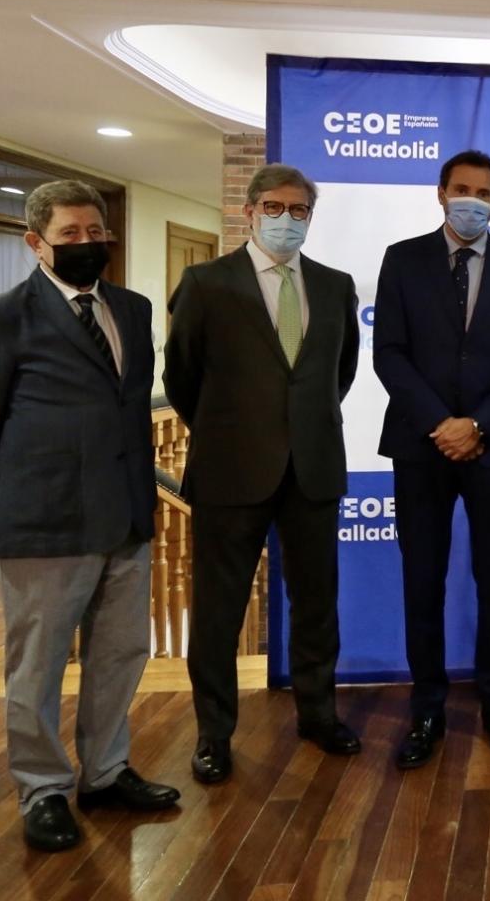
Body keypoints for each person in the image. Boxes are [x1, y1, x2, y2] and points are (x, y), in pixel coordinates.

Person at [0, 179, 179, 852]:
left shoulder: (131, 309)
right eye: (69, 234)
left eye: (94, 232)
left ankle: (105, 772)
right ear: (36, 242)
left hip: (126, 514)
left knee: (121, 653)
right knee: (39, 664)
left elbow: (128, 408)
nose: (86, 243)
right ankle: (43, 788)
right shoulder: (1, 316)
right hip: (44, 521)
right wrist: (29, 478)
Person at [164, 163, 363, 784]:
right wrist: (232, 431)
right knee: (219, 610)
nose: (286, 219)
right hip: (230, 472)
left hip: (313, 468)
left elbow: (340, 374)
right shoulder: (205, 283)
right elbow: (182, 377)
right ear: (250, 211)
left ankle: (318, 714)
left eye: (299, 210)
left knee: (316, 605)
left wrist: (300, 427)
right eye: (274, 207)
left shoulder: (334, 286)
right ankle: (214, 735)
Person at [374, 150, 490, 765]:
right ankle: (427, 711)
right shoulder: (402, 259)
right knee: (423, 581)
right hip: (419, 446)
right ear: (441, 192)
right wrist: (439, 424)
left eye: (484, 192)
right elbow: (389, 353)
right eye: (462, 189)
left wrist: (475, 424)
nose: (473, 201)